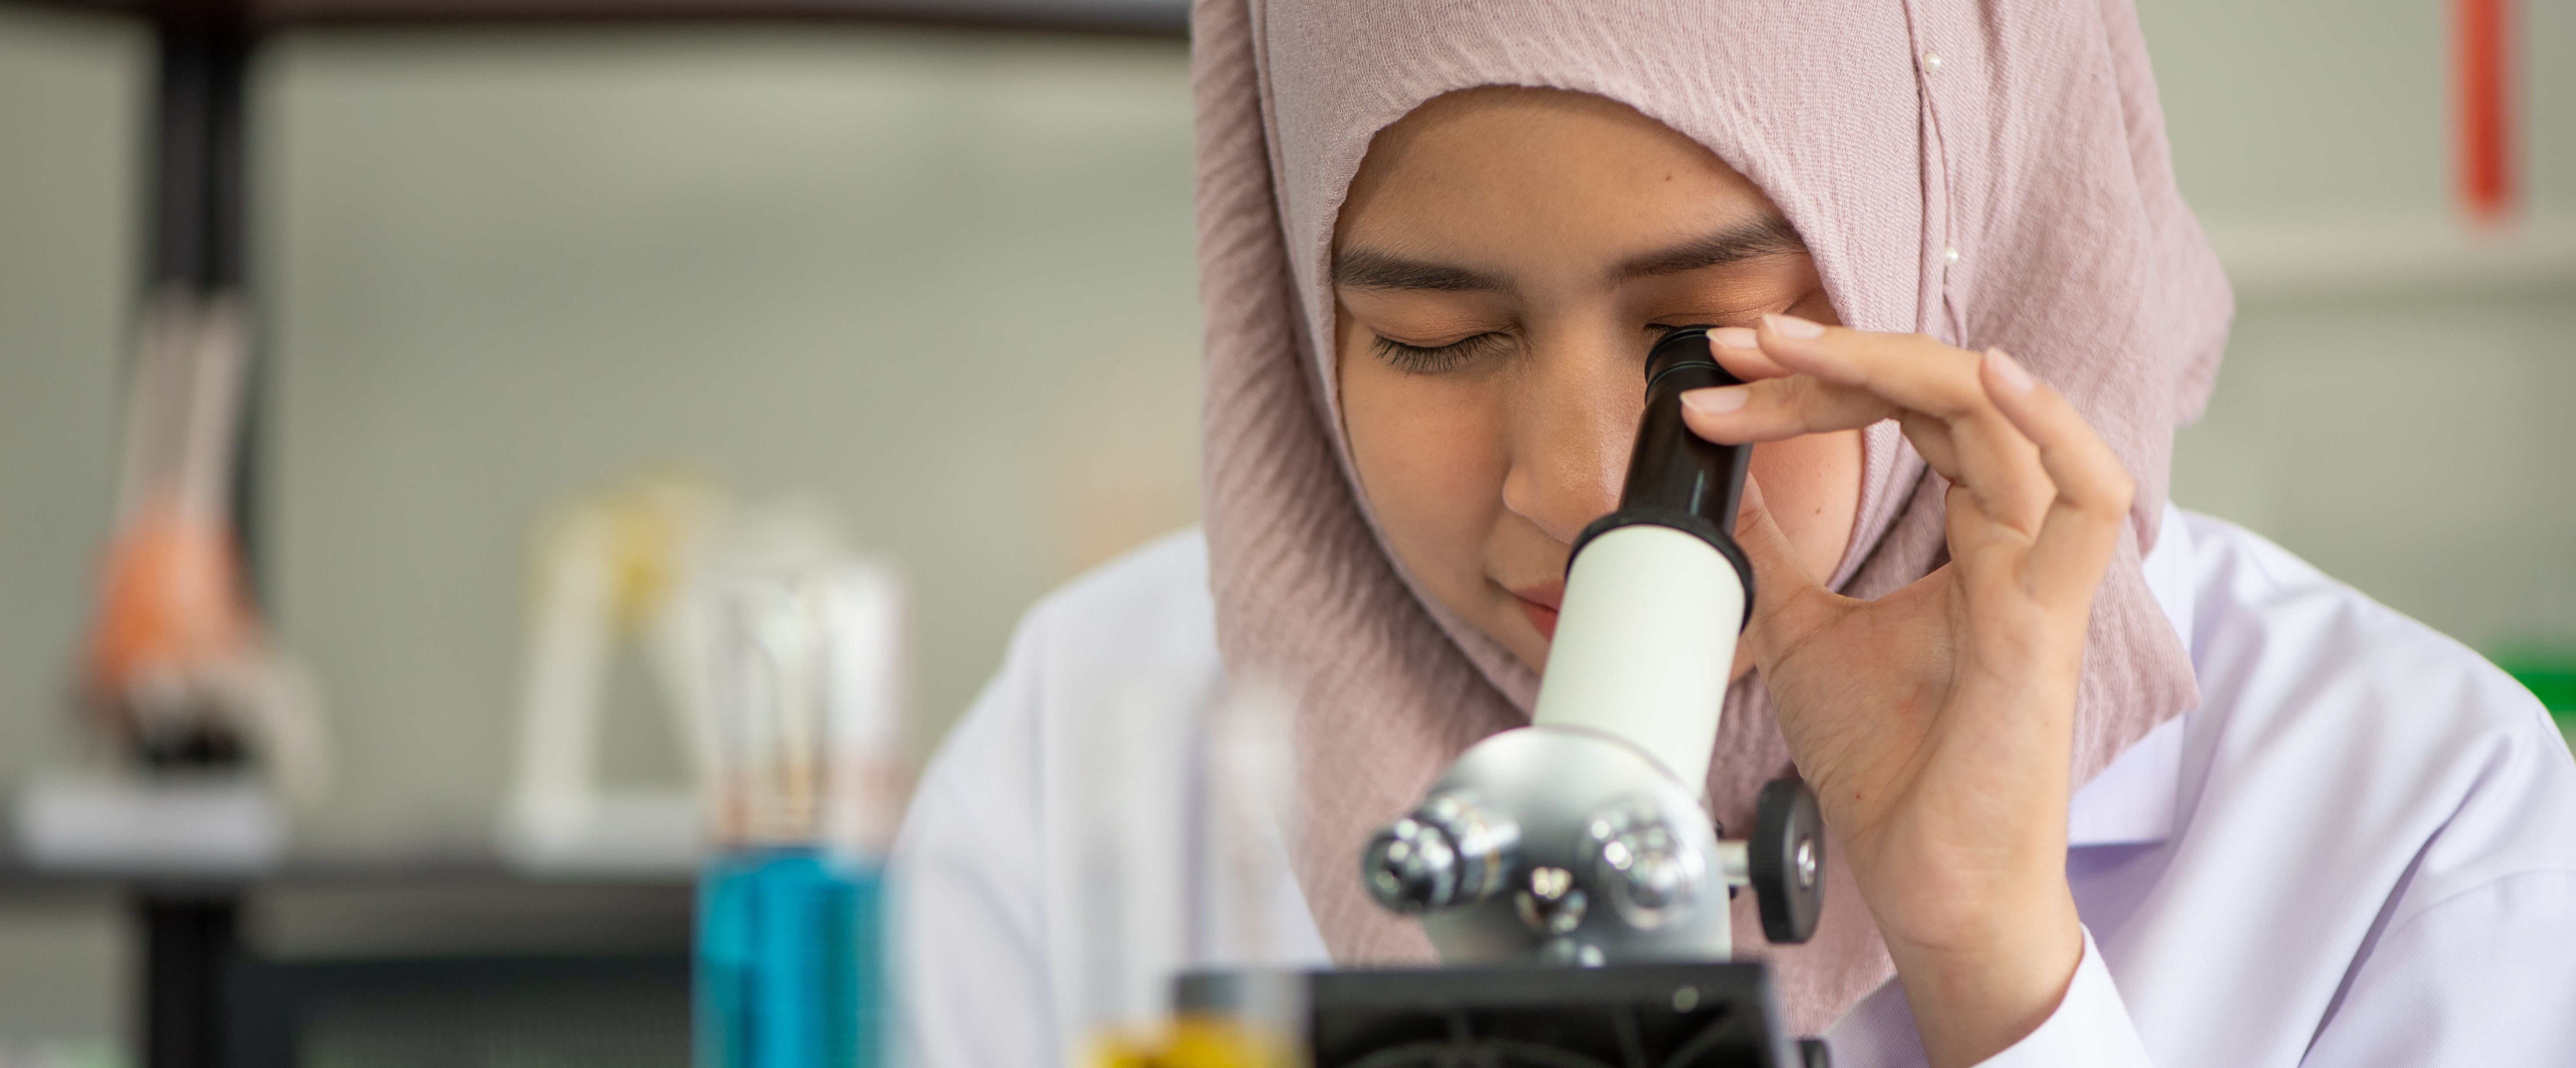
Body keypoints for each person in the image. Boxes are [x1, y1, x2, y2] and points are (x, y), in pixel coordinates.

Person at [891, 1, 2576, 1065]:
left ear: (1946, 259)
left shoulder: (2416, 831)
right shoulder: (1084, 759)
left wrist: (2003, 973)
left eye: (1707, 337)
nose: (1565, 484)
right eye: (1431, 337)